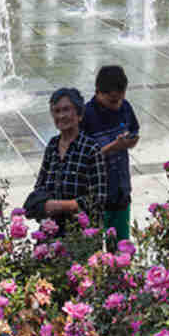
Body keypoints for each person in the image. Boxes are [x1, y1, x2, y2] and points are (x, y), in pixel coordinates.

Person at [31, 87, 106, 232]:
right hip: (51, 230)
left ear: (79, 114)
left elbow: (98, 198)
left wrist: (57, 206)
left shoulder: (91, 149)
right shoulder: (52, 145)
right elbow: (40, 185)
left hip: (81, 234)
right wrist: (42, 204)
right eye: (56, 111)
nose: (61, 116)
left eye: (66, 109)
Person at [82, 66, 140, 242]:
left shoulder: (125, 107)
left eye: (120, 99)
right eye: (112, 101)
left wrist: (130, 141)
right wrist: (113, 146)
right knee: (94, 251)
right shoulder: (86, 116)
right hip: (96, 196)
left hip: (121, 189)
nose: (117, 105)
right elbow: (83, 158)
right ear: (98, 92)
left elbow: (134, 133)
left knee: (122, 247)